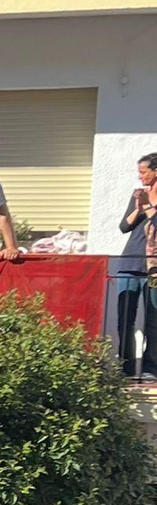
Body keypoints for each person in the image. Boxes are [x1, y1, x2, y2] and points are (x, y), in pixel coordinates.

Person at [115, 153, 157, 381]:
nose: (140, 177)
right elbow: (124, 226)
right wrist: (138, 208)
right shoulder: (138, 195)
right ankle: (126, 366)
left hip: (154, 268)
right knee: (125, 318)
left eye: (143, 172)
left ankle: (151, 367)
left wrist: (148, 206)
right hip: (129, 263)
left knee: (153, 318)